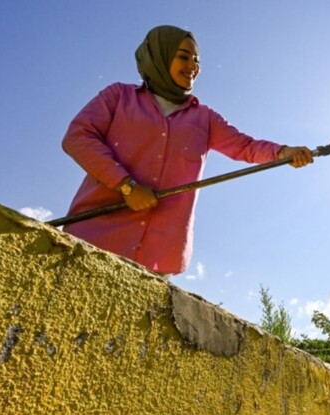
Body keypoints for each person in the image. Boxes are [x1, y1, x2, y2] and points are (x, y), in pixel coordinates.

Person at [62, 25, 313, 277]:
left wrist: (282, 152)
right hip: (93, 240)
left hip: (157, 259)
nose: (193, 66)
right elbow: (77, 137)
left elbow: (245, 146)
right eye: (183, 56)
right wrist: (126, 185)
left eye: (197, 60)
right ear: (159, 55)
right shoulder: (118, 96)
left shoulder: (205, 119)